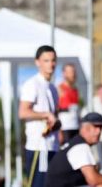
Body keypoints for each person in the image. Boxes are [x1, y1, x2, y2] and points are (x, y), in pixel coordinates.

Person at [45, 112, 102, 187]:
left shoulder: (75, 143)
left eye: (101, 128)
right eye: (95, 127)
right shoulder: (80, 147)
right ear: (84, 128)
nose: (98, 132)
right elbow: (93, 180)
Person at [19, 45, 62, 187]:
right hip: (39, 146)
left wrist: (56, 124)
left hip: (52, 145)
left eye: (53, 60)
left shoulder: (52, 88)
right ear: (37, 62)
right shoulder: (32, 84)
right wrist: (46, 114)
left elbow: (54, 116)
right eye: (46, 60)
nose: (51, 64)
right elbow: (23, 112)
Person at [57, 63, 80, 143]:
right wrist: (59, 131)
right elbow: (55, 110)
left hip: (75, 127)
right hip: (65, 128)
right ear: (64, 73)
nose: (72, 74)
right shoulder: (59, 89)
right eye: (70, 72)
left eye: (73, 72)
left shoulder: (75, 90)